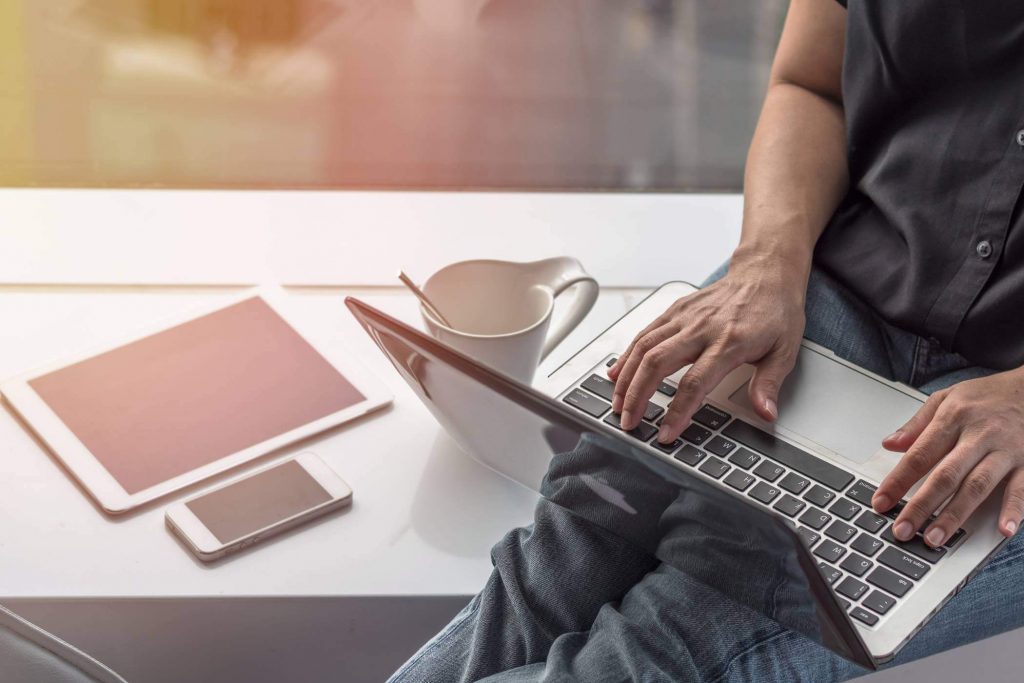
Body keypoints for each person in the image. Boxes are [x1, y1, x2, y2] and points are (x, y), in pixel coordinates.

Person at [388, 1, 1024, 680]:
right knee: (565, 552)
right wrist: (767, 259)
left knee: (670, 649)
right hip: (833, 283)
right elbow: (811, 81)